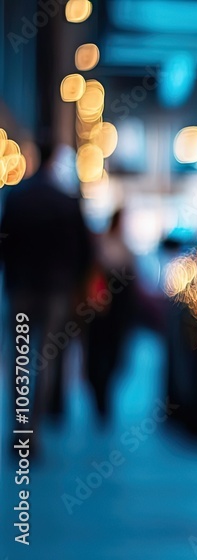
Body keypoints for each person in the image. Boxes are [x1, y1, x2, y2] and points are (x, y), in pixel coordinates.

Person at [0, 142, 94, 432]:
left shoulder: (18, 197)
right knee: (45, 360)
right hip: (56, 291)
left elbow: (4, 244)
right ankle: (33, 429)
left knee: (19, 359)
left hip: (21, 289)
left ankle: (19, 426)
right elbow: (84, 252)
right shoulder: (66, 201)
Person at [86, 209, 136, 426]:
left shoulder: (124, 247)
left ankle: (103, 394)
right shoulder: (105, 245)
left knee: (114, 355)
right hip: (101, 310)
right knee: (97, 353)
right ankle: (99, 395)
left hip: (117, 313)